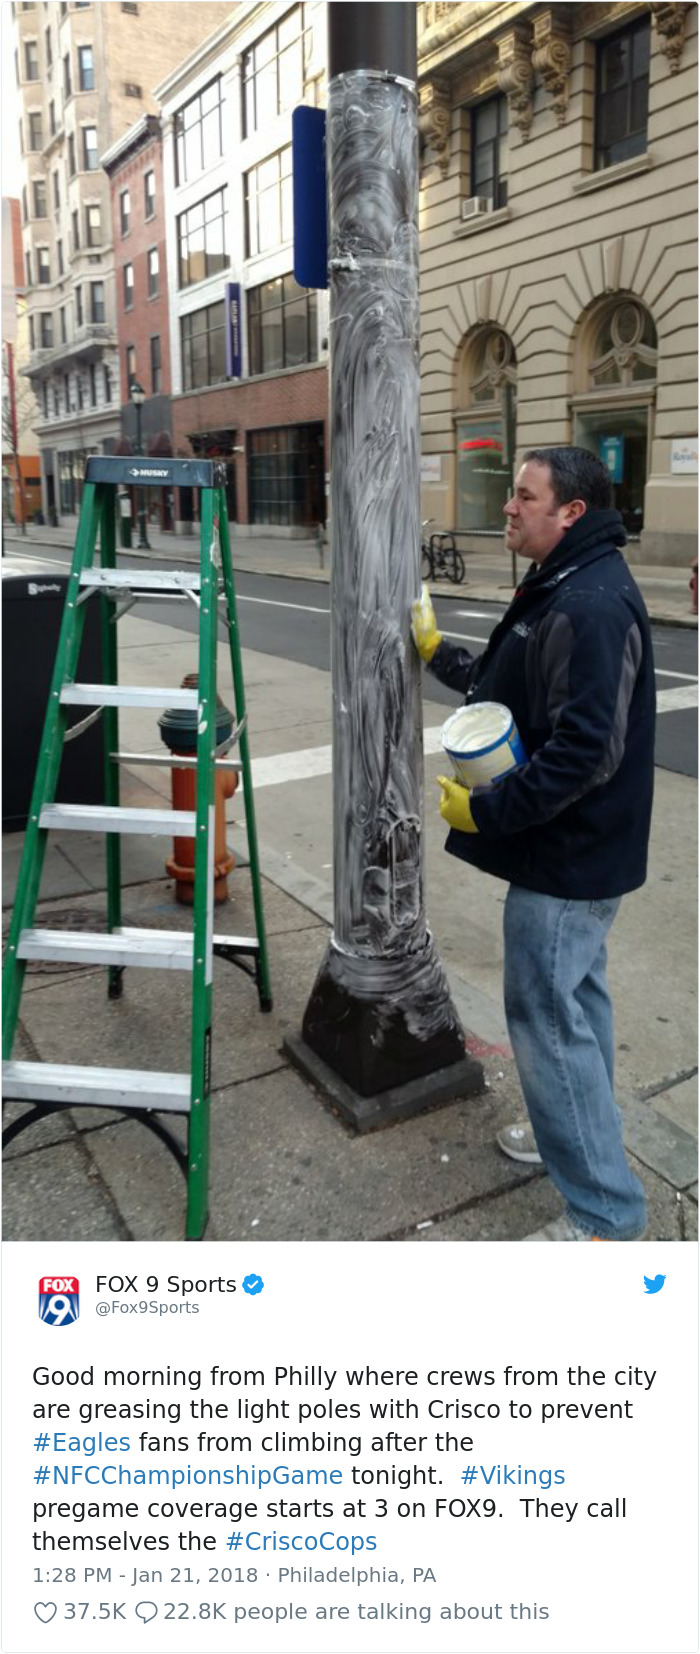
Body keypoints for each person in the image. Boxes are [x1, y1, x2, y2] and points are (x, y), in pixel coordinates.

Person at [411, 447, 655, 1241]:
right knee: (575, 1009)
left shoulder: (590, 603)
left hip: (568, 857)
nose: (507, 509)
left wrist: (491, 811)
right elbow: (506, 679)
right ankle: (573, 1138)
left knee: (548, 1021)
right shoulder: (564, 578)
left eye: (523, 497)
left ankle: (602, 1215)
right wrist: (436, 651)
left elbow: (588, 751)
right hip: (576, 852)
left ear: (570, 512)